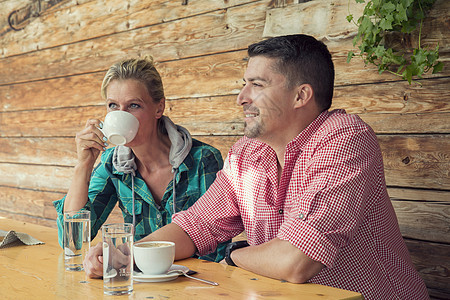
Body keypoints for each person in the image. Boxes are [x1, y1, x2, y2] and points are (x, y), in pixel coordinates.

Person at [84, 35, 429, 299]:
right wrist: (123, 254)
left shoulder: (344, 140)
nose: (242, 97)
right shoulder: (247, 153)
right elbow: (193, 227)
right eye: (244, 84)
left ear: (300, 95)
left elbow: (295, 261)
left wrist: (235, 255)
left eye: (257, 85)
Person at [53, 56, 228, 270]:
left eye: (133, 105)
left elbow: (216, 245)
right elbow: (73, 241)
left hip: (195, 281)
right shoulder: (113, 164)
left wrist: (124, 255)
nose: (121, 115)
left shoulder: (203, 159)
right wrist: (84, 165)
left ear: (158, 108)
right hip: (138, 280)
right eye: (113, 106)